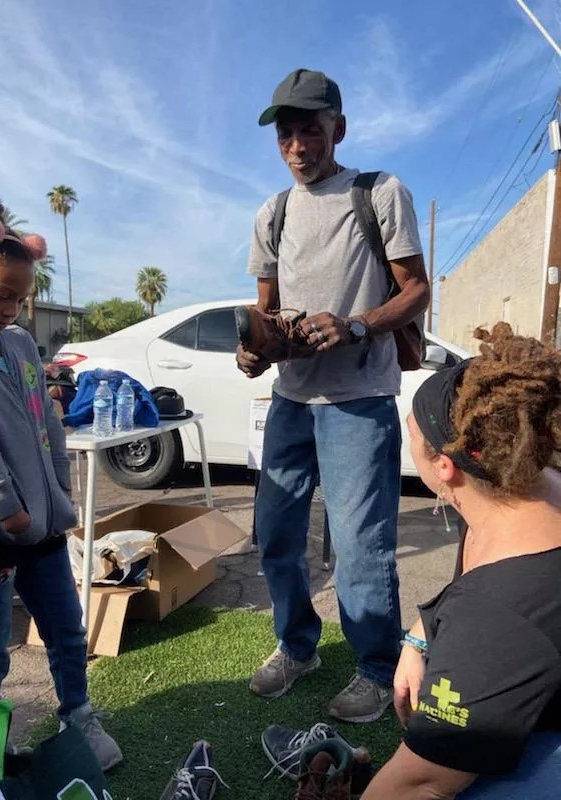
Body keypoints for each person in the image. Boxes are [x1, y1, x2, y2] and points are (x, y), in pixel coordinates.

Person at [238, 68, 430, 722]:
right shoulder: (273, 213)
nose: (297, 147)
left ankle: (376, 669)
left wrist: (357, 325)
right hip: (291, 402)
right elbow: (264, 312)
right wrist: (253, 348)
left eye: (310, 131)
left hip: (359, 400)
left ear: (338, 129)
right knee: (275, 535)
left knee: (360, 545)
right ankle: (298, 647)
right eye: (286, 135)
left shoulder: (378, 192)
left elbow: (416, 290)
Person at [358, 323, 561, 799]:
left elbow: (417, 783)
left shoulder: (498, 615)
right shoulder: (523, 485)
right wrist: (418, 637)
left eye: (412, 433)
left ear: (444, 467)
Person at [0, 185, 122, 771]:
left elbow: (47, 424)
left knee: (66, 630)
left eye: (20, 298)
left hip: (44, 524)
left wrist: (59, 492)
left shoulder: (21, 344)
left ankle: (78, 713)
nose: (10, 308)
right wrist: (10, 512)